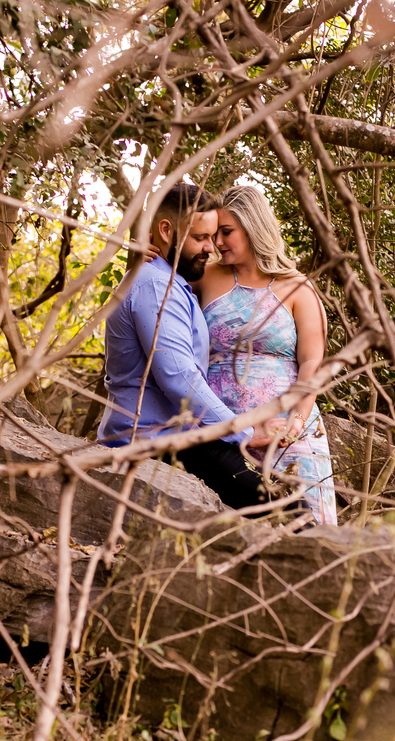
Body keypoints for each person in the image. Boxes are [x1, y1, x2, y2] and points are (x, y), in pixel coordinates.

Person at [99, 184, 300, 514]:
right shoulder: (155, 285)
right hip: (156, 441)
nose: (211, 247)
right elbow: (179, 378)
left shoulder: (172, 282)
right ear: (166, 231)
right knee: (287, 507)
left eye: (214, 236)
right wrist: (244, 432)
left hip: (182, 436)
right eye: (200, 238)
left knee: (285, 500)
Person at [195, 185, 338, 524]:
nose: (217, 242)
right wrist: (148, 254)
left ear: (252, 227)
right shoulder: (204, 277)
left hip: (289, 431)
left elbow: (312, 362)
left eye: (226, 232)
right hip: (226, 433)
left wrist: (297, 420)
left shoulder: (297, 287)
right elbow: (160, 290)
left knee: (307, 532)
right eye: (214, 234)